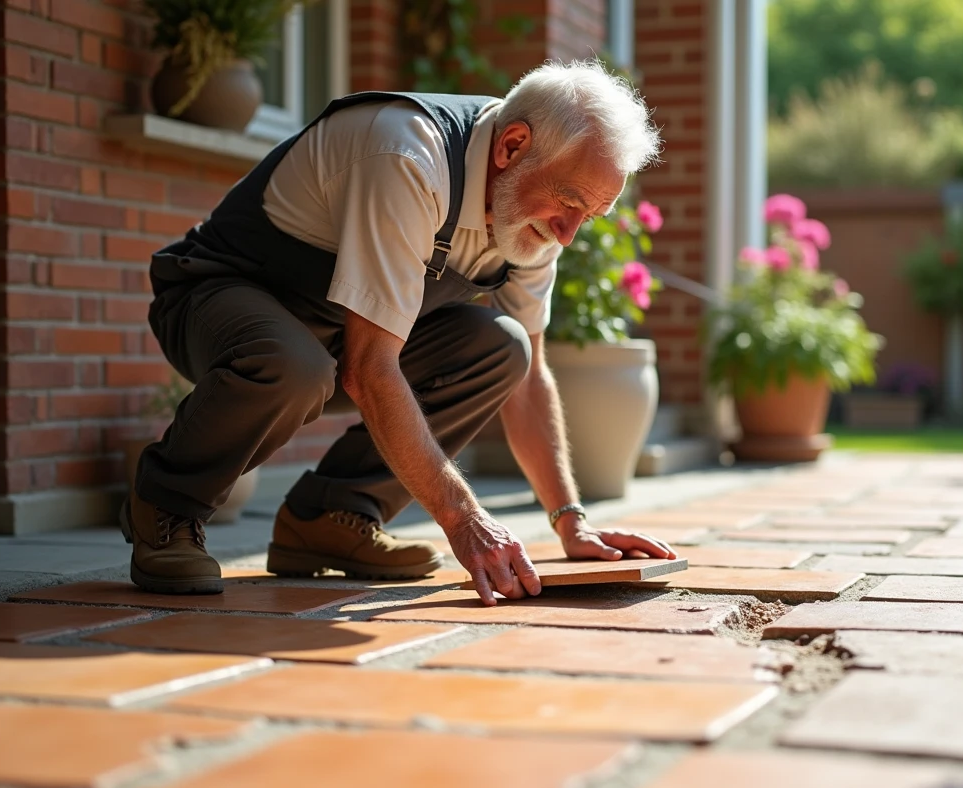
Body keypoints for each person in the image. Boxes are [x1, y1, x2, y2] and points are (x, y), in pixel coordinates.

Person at [123, 59, 676, 605]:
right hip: (212, 296)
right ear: (511, 146)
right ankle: (167, 505)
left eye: (590, 216)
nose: (569, 234)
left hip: (334, 340)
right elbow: (368, 369)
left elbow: (528, 380)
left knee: (502, 349)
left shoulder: (532, 215)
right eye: (569, 203)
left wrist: (570, 522)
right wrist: (465, 520)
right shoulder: (410, 155)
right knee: (294, 365)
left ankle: (330, 517)